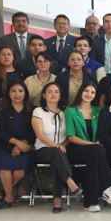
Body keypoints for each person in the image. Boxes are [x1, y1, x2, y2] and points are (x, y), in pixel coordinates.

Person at [64, 83, 111, 212]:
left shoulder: (98, 111)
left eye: (92, 92)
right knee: (96, 151)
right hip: (76, 148)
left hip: (95, 150)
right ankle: (108, 188)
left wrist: (95, 145)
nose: (89, 94)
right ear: (81, 91)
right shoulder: (70, 111)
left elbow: (102, 133)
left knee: (94, 157)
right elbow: (71, 136)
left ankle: (91, 202)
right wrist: (91, 144)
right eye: (86, 90)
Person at [31, 82, 81, 213]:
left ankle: (57, 200)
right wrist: (57, 146)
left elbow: (70, 134)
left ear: (60, 95)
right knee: (56, 153)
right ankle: (70, 182)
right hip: (42, 150)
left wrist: (62, 145)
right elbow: (40, 135)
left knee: (57, 158)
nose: (53, 94)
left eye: (56, 92)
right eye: (49, 92)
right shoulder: (38, 111)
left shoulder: (65, 113)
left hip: (61, 150)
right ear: (44, 95)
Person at [0, 81, 35, 208]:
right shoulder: (2, 111)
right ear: (8, 94)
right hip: (5, 145)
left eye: (20, 91)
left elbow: (34, 132)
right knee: (5, 169)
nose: (17, 94)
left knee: (19, 172)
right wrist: (16, 143)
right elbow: (1, 132)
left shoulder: (32, 110)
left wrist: (21, 146)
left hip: (25, 146)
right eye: (13, 91)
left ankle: (2, 190)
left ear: (25, 93)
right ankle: (9, 197)